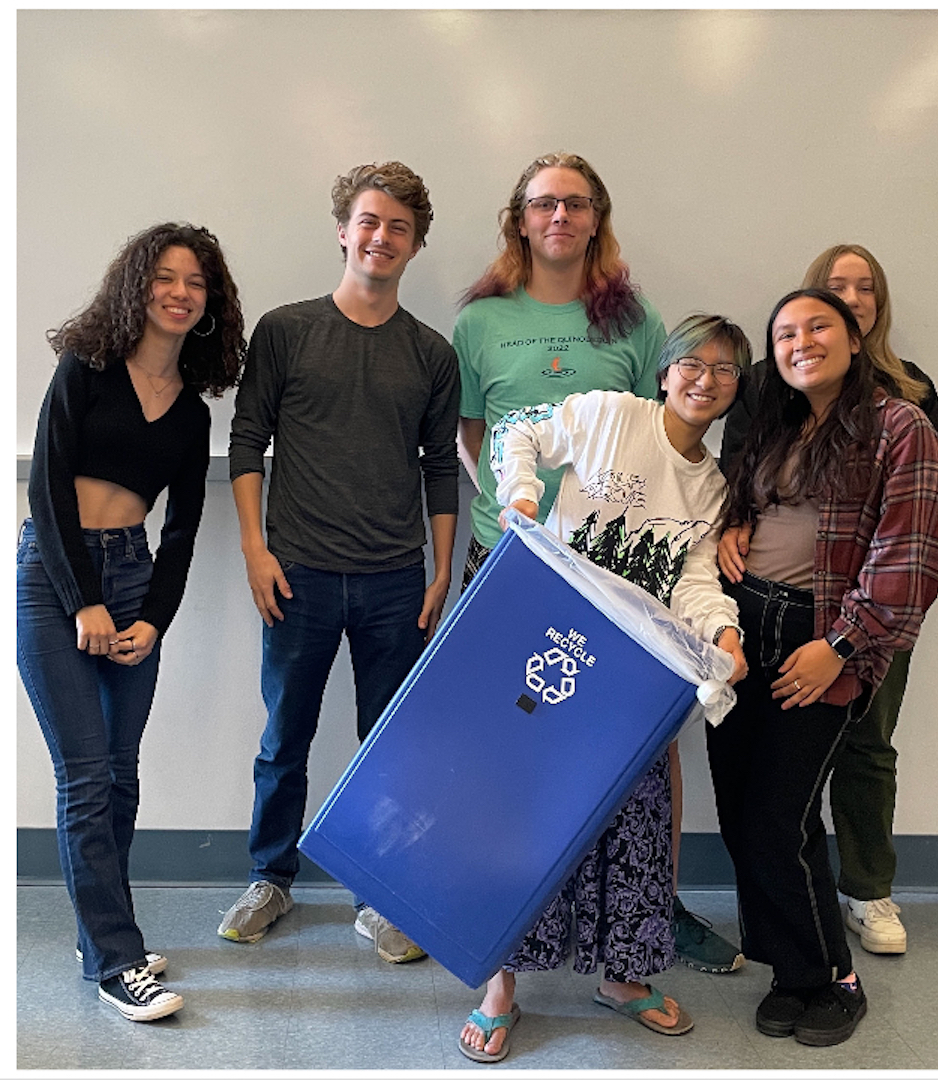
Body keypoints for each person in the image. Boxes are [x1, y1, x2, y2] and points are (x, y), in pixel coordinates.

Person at [450, 153, 736, 975]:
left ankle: (640, 929)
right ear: (520, 219)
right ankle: (497, 939)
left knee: (633, 756)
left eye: (576, 204)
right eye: (543, 204)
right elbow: (481, 430)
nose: (560, 218)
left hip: (620, 581)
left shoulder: (633, 321)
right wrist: (515, 504)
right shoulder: (480, 321)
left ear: (597, 217)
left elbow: (671, 431)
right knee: (514, 745)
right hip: (512, 557)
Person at [455, 314, 753, 1063]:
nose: (704, 378)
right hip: (553, 638)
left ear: (737, 389)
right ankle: (500, 983)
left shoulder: (713, 485)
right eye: (693, 362)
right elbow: (517, 433)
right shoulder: (608, 414)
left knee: (636, 822)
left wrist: (724, 634)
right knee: (527, 810)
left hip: (635, 670)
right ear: (665, 370)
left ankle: (623, 976)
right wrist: (520, 493)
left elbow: (695, 577)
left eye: (724, 370)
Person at [219, 162, 460, 965]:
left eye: (398, 226)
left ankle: (380, 895)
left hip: (397, 580)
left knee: (388, 747)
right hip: (298, 575)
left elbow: (438, 467)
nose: (380, 237)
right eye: (368, 221)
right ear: (342, 229)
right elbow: (247, 442)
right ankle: (269, 876)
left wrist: (440, 570)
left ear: (415, 243)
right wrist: (255, 551)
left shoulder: (430, 353)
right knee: (284, 734)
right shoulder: (286, 332)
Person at [20, 223, 246, 1021]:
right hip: (54, 578)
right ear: (137, 286)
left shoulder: (189, 416)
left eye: (197, 283)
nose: (181, 293)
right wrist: (81, 597)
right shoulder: (85, 370)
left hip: (132, 576)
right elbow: (46, 490)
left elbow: (181, 531)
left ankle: (99, 939)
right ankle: (120, 960)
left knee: (120, 775)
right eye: (167, 278)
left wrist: (152, 621)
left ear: (209, 304)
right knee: (84, 778)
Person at [712, 288, 938, 1048]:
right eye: (783, 333)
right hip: (745, 629)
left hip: (821, 637)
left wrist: (841, 647)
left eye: (818, 327)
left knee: (781, 817)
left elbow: (909, 557)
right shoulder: (776, 424)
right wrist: (730, 531)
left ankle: (833, 976)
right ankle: (791, 970)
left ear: (856, 339)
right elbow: (738, 508)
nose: (799, 341)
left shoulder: (899, 425)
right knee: (741, 809)